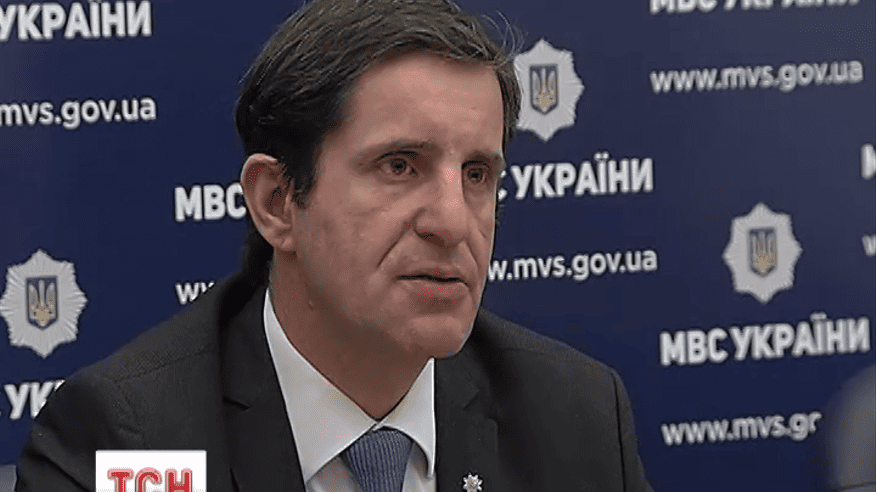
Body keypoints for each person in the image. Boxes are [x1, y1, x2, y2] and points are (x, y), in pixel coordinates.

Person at [16, 0, 654, 491]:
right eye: (400, 166)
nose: (454, 223)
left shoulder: (577, 418)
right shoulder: (130, 442)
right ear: (277, 202)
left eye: (477, 174)